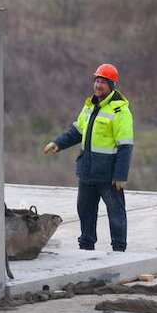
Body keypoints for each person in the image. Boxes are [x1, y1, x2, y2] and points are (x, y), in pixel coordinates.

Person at [43, 63, 134, 251]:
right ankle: (86, 247)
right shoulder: (90, 106)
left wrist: (121, 175)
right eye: (97, 81)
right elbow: (77, 131)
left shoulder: (120, 111)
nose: (98, 85)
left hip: (108, 175)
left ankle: (119, 249)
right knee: (85, 211)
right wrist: (57, 143)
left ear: (111, 85)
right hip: (87, 171)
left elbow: (125, 146)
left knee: (116, 212)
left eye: (102, 82)